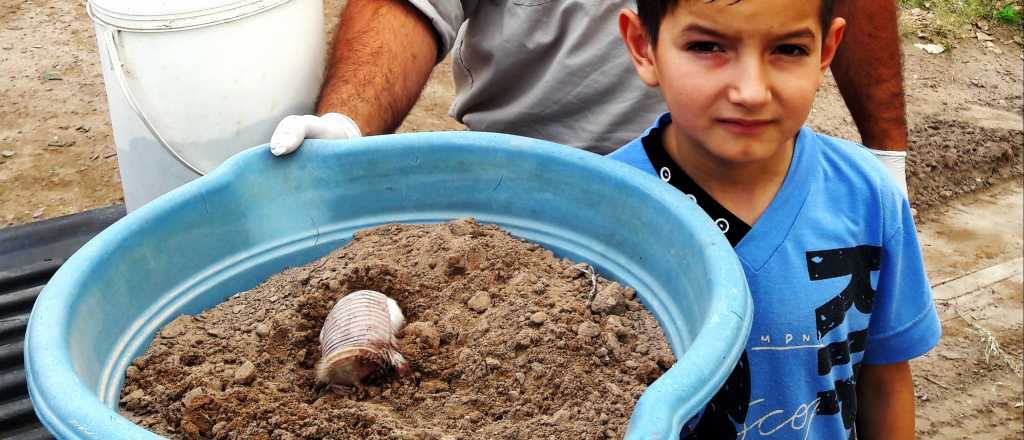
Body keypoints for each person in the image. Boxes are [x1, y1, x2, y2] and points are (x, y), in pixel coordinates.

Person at [608, 0, 939, 438]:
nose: (751, 92)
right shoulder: (599, 213)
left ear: (826, 52)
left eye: (788, 49)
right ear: (643, 46)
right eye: (707, 46)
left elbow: (884, 381)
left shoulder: (867, 195)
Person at [267, 0, 911, 195]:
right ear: (641, 47)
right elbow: (406, 6)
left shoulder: (849, 202)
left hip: (740, 174)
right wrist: (347, 124)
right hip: (528, 188)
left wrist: (887, 162)